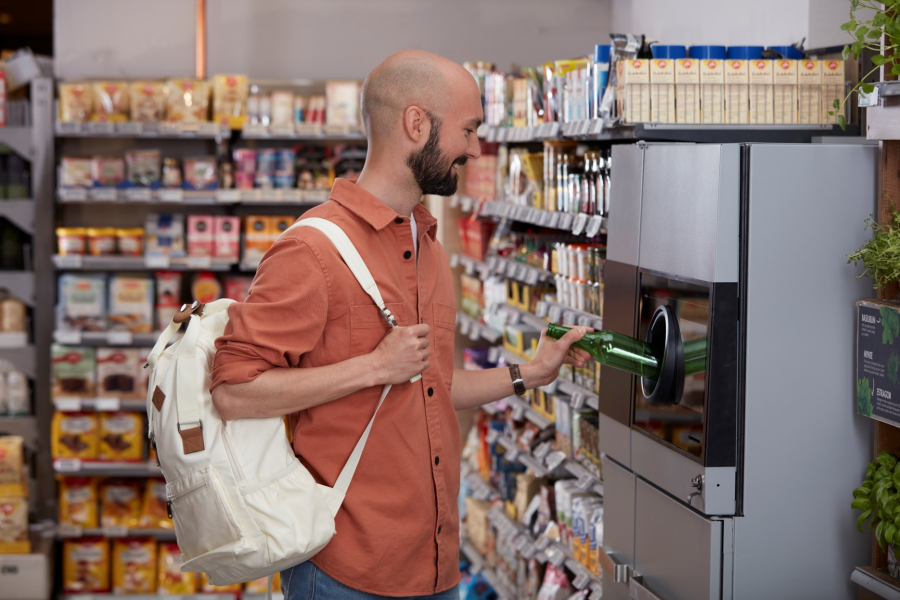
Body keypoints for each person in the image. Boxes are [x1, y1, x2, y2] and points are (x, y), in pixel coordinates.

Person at [210, 50, 591, 600]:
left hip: (432, 566)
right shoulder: (312, 250)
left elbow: (428, 383)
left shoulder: (428, 243)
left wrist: (530, 372)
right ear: (417, 124)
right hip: (344, 570)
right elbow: (233, 392)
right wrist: (372, 367)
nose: (475, 148)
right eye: (468, 129)